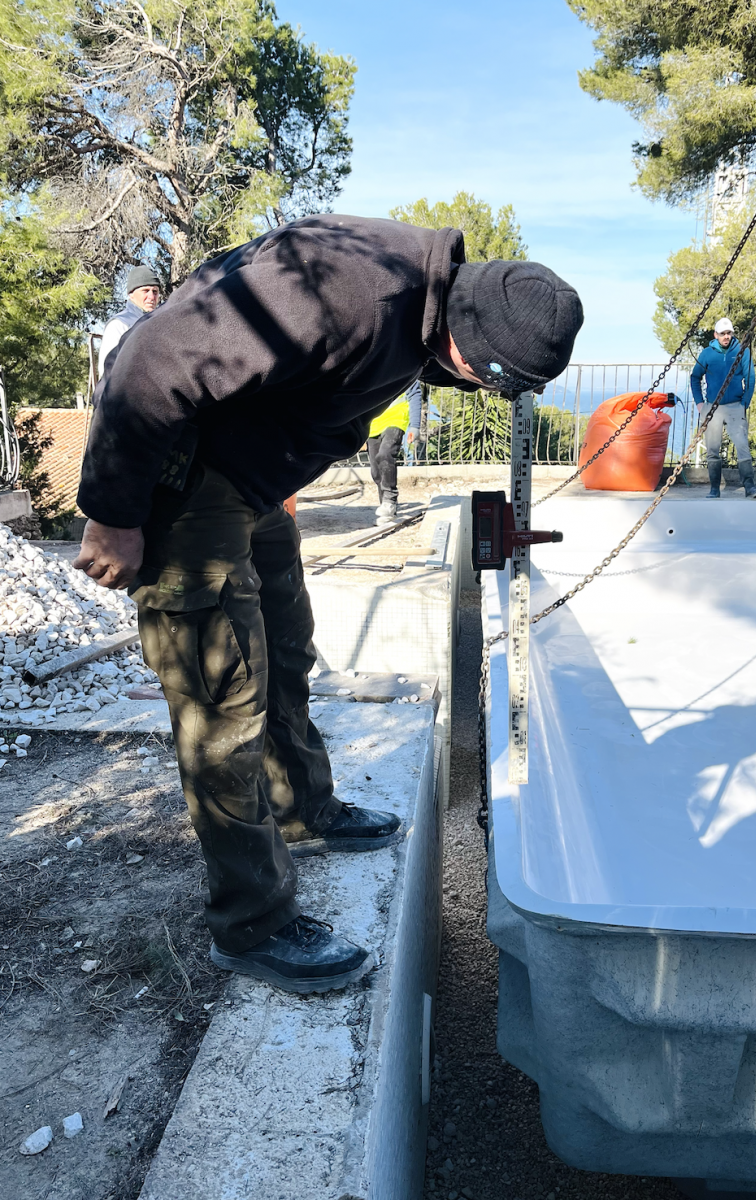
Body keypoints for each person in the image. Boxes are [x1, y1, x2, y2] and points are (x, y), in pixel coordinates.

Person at [73, 214, 583, 995]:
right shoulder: (350, 289)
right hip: (186, 485)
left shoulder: (430, 305)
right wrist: (113, 512)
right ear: (466, 334)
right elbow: (150, 360)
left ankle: (303, 805)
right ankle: (252, 924)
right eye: (491, 377)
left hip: (252, 485)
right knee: (223, 701)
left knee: (286, 646)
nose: (487, 390)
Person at [691, 318, 756, 499]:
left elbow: (750, 378)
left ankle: (750, 487)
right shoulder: (707, 354)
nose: (726, 337)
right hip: (712, 407)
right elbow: (695, 377)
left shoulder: (742, 351)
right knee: (712, 450)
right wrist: (700, 403)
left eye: (729, 333)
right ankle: (714, 489)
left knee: (742, 446)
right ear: (715, 335)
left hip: (734, 406)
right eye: (722, 333)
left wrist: (744, 403)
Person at [366, 380, 422, 525]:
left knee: (385, 455)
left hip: (396, 420)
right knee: (376, 470)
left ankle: (389, 501)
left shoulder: (403, 366)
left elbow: (415, 394)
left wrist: (414, 426)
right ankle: (386, 507)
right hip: (373, 425)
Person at [97, 265, 162, 377]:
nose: (151, 297)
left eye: (155, 292)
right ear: (131, 294)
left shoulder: (161, 323)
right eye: (145, 291)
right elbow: (108, 372)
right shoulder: (119, 324)